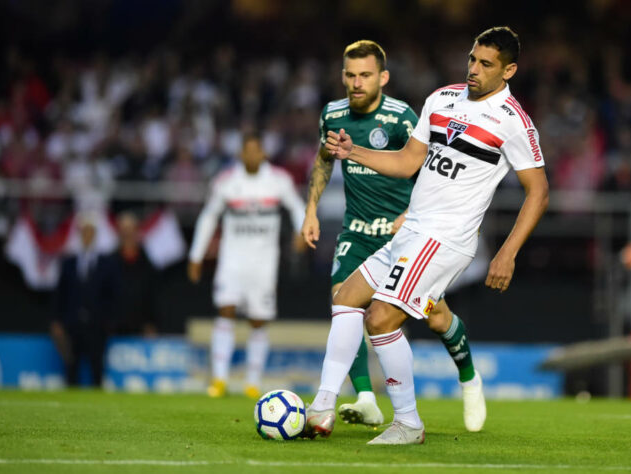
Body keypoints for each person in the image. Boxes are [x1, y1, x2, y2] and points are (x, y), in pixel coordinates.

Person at [307, 26, 549, 445]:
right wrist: (353, 152)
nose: (473, 69)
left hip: (446, 237)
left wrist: (508, 252)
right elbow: (406, 162)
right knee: (346, 297)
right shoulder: (441, 99)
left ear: (509, 70)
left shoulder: (514, 122)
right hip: (413, 229)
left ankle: (408, 423)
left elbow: (539, 191)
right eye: (472, 58)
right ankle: (323, 404)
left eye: (486, 64)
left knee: (380, 318)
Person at [302, 40, 486, 429]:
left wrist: (408, 213)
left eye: (365, 75)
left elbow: (428, 166)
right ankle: (362, 399)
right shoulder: (332, 115)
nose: (356, 83)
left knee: (436, 319)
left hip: (403, 236)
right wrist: (310, 211)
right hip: (357, 231)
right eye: (350, 75)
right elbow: (322, 160)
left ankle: (469, 377)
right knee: (344, 302)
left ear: (382, 78)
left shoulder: (402, 117)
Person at [188, 132, 306, 399]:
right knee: (226, 310)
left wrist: (301, 231)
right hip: (232, 261)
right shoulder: (227, 181)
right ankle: (219, 379)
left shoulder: (278, 180)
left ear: (263, 153)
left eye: (256, 151)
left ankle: (252, 382)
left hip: (264, 263)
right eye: (247, 151)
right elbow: (209, 217)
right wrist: (196, 255)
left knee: (258, 319)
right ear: (241, 154)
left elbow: (298, 208)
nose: (252, 155)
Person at [51, 212, 119, 387]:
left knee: (97, 371)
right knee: (71, 370)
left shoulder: (107, 263)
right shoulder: (69, 263)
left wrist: (108, 321)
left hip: (97, 326)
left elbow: (113, 295)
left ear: (95, 235)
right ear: (80, 235)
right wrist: (57, 321)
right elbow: (60, 294)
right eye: (84, 232)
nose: (87, 236)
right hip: (72, 325)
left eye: (91, 232)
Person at [112, 211, 158, 336]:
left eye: (130, 229)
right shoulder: (109, 262)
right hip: (113, 329)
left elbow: (152, 296)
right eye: (124, 229)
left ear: (136, 231)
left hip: (140, 328)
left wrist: (151, 323)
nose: (127, 233)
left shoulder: (147, 263)